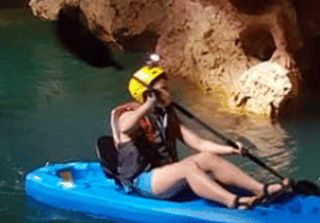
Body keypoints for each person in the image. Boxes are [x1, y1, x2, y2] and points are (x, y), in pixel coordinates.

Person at [109, 59, 291, 209]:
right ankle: (233, 201)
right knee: (188, 168)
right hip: (141, 182)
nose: (168, 93)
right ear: (148, 94)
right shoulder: (129, 115)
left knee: (207, 157)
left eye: (166, 88)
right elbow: (124, 127)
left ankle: (261, 189)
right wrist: (148, 105)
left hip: (163, 174)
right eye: (163, 90)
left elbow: (199, 143)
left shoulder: (165, 116)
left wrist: (230, 149)